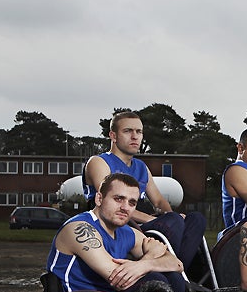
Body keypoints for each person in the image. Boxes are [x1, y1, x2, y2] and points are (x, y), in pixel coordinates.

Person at [47, 172, 185, 292]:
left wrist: (144, 264)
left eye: (132, 202)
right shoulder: (80, 228)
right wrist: (149, 259)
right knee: (154, 283)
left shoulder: (126, 232)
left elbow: (177, 264)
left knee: (175, 280)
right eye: (118, 199)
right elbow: (117, 277)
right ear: (99, 198)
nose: (125, 207)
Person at [83, 111, 207, 269]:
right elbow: (112, 205)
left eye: (139, 132)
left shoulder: (141, 167)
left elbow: (159, 201)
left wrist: (172, 215)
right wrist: (154, 220)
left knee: (196, 219)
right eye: (128, 131)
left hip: (141, 221)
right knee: (173, 222)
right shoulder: (99, 162)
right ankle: (171, 271)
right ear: (113, 136)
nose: (135, 136)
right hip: (116, 223)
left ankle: (181, 269)